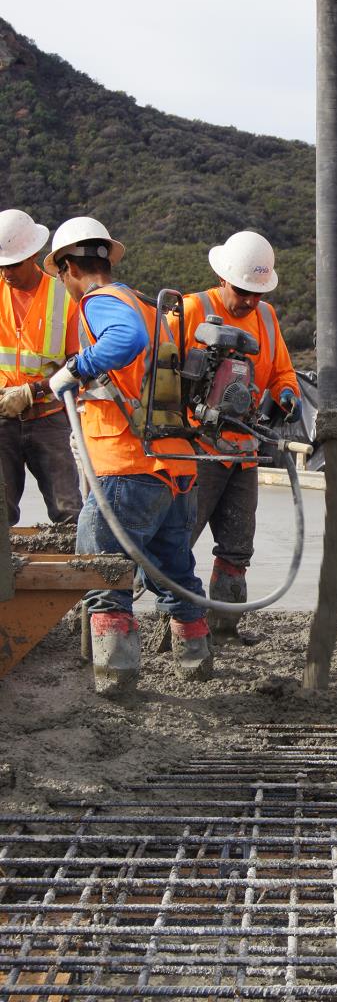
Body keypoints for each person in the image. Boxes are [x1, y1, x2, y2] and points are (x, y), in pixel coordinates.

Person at [45, 216, 211, 696]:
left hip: (127, 467)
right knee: (175, 575)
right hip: (174, 466)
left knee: (105, 574)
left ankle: (115, 680)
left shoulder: (102, 302)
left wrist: (75, 368)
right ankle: (196, 665)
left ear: (69, 268)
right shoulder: (145, 304)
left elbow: (123, 343)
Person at [171, 230, 301, 642]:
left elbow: (282, 371)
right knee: (177, 543)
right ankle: (177, 627)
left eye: (256, 293)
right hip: (195, 451)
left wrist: (286, 394)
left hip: (244, 451)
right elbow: (155, 371)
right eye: (243, 290)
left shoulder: (266, 317)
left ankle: (225, 630)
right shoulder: (191, 310)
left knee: (237, 546)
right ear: (224, 278)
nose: (248, 300)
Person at [0, 208, 83, 526]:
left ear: (33, 255)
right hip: (3, 418)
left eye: (14, 265)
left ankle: (76, 573)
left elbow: (77, 365)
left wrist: (33, 391)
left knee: (68, 510)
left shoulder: (63, 296)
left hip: (48, 418)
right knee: (1, 511)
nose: (7, 273)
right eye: (2, 266)